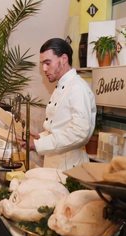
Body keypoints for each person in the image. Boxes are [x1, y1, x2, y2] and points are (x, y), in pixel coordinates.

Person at [26, 38, 96, 170]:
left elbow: (79, 133)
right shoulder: (62, 86)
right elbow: (60, 127)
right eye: (42, 64)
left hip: (69, 167)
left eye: (48, 63)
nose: (44, 69)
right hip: (54, 164)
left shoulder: (78, 88)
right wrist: (41, 137)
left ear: (64, 59)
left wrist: (37, 145)